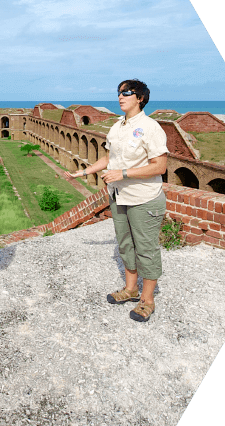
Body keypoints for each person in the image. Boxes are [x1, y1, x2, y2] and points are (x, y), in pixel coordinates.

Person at [64, 79, 168, 322]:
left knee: (146, 248)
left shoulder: (151, 127)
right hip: (119, 196)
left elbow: (160, 166)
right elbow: (109, 158)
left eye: (127, 93)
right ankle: (131, 290)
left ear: (140, 98)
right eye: (119, 93)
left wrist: (122, 174)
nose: (121, 97)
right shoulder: (117, 127)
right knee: (125, 244)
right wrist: (84, 172)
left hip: (144, 198)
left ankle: (147, 299)